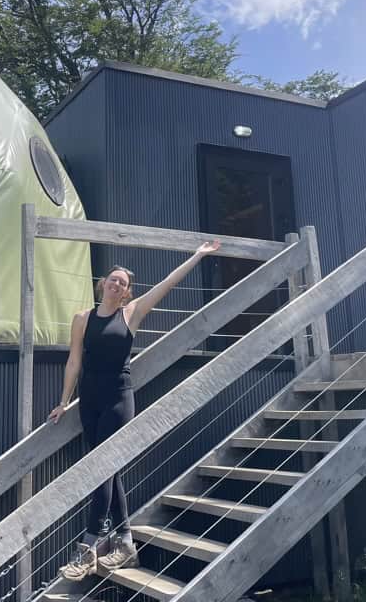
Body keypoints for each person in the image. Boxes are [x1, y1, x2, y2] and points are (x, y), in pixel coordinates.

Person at [49, 241, 220, 579]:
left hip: (118, 397)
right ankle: (126, 543)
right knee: (107, 472)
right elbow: (73, 361)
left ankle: (88, 550)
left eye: (123, 283)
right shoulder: (82, 319)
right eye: (112, 280)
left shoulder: (132, 313)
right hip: (90, 399)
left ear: (127, 292)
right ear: (103, 284)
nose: (116, 285)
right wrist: (64, 400)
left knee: (102, 469)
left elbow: (167, 284)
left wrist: (197, 256)